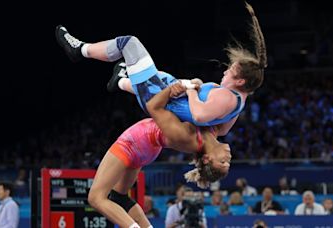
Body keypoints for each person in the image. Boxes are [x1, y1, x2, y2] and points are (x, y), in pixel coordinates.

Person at [55, 2, 267, 136]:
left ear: (240, 81)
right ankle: (120, 81)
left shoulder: (228, 98)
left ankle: (80, 49)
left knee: (129, 44)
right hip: (163, 101)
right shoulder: (239, 102)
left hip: (159, 100)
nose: (225, 71)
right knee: (164, 76)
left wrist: (192, 90)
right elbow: (220, 131)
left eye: (230, 71)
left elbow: (201, 116)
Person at [87, 83, 231, 228]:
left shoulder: (187, 137)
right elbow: (235, 103)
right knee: (119, 197)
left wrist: (172, 89)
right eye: (227, 164)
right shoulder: (216, 130)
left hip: (135, 142)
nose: (228, 160)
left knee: (96, 198)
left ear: (207, 158)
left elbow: (153, 106)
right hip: (148, 149)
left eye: (223, 163)